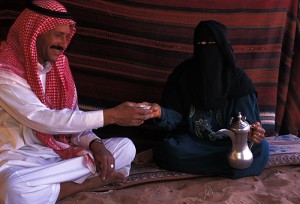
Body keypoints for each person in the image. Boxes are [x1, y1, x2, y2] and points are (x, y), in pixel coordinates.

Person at [0, 1, 154, 203]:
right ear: (35, 33)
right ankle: (95, 181)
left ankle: (59, 184)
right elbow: (42, 119)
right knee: (15, 187)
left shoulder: (59, 66)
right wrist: (111, 116)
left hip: (56, 153)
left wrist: (96, 144)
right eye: (57, 35)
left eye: (66, 36)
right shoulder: (5, 69)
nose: (63, 44)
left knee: (125, 148)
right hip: (16, 158)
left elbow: (72, 120)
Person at [136, 20, 269, 179]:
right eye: (201, 44)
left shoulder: (239, 82)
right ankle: (231, 168)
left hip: (230, 145)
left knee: (261, 151)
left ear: (222, 48)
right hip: (194, 143)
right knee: (172, 150)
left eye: (211, 44)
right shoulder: (183, 75)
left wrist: (254, 133)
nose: (206, 51)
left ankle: (211, 166)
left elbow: (251, 126)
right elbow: (175, 117)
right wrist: (160, 112)